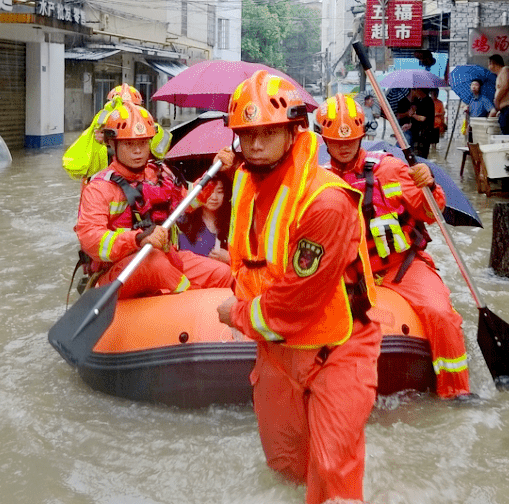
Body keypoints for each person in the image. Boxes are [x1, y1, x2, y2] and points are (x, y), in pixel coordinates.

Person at [214, 70, 380, 504]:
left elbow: (292, 306)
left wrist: (235, 314)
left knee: (330, 474)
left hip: (336, 347)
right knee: (285, 467)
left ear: (294, 131)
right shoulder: (247, 182)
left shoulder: (325, 201)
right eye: (246, 134)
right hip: (277, 350)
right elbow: (246, 255)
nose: (255, 143)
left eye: (268, 132)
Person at [315, 94, 472, 401]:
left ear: (363, 136)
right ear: (324, 140)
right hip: (348, 274)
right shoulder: (319, 181)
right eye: (335, 140)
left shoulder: (390, 170)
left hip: (401, 267)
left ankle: (457, 392)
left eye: (351, 139)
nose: (344, 146)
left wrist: (429, 187)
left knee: (440, 313)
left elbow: (430, 212)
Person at [74, 102, 232, 299]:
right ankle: (190, 300)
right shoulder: (99, 188)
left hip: (165, 256)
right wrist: (137, 238)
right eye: (129, 144)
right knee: (154, 262)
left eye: (142, 143)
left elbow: (186, 203)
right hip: (118, 271)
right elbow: (92, 240)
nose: (138, 151)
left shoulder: (159, 173)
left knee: (223, 274)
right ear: (113, 145)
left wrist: (213, 173)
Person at [177, 172, 232, 265]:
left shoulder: (232, 222)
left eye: (219, 192)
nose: (214, 197)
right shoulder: (184, 223)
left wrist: (230, 258)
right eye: (209, 191)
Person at [408, 88, 436, 158]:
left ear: (420, 90)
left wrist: (413, 115)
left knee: (421, 156)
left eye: (415, 90)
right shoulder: (419, 100)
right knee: (415, 154)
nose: (415, 92)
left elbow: (423, 118)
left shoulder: (428, 102)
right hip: (417, 133)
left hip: (424, 134)